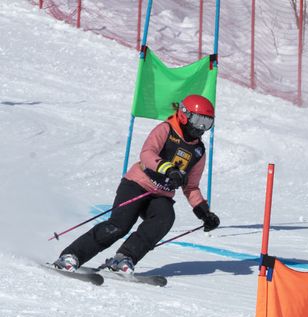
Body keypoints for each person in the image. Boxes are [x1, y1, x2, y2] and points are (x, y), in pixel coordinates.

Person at [52, 94, 221, 274]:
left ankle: (123, 258)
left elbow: (191, 187)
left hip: (160, 195)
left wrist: (204, 213)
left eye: (206, 123)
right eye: (197, 120)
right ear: (183, 115)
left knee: (164, 218)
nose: (200, 128)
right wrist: (168, 169)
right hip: (137, 184)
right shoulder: (166, 130)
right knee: (118, 225)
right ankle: (71, 255)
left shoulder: (198, 151)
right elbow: (147, 153)